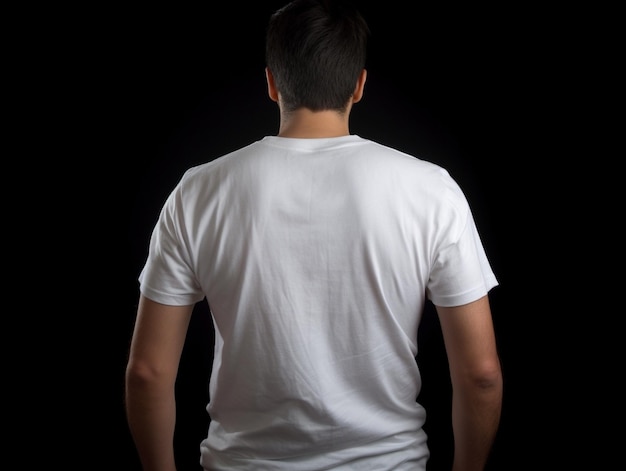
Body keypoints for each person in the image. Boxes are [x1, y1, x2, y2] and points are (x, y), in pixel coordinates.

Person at [124, 0, 503, 470]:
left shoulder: (198, 192)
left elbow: (146, 373)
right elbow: (482, 375)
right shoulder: (431, 191)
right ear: (359, 85)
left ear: (271, 82)